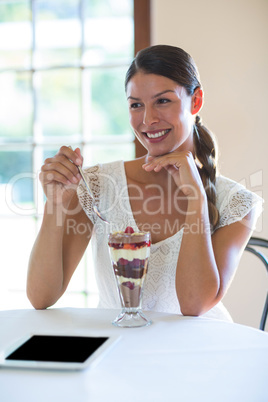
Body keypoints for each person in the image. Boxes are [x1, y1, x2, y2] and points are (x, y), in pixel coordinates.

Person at [27, 45, 263, 320]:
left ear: (195, 101)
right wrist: (55, 205)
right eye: (136, 105)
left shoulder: (237, 202)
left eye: (163, 101)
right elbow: (41, 297)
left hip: (200, 353)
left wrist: (196, 199)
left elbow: (193, 304)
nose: (148, 120)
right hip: (118, 348)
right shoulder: (98, 185)